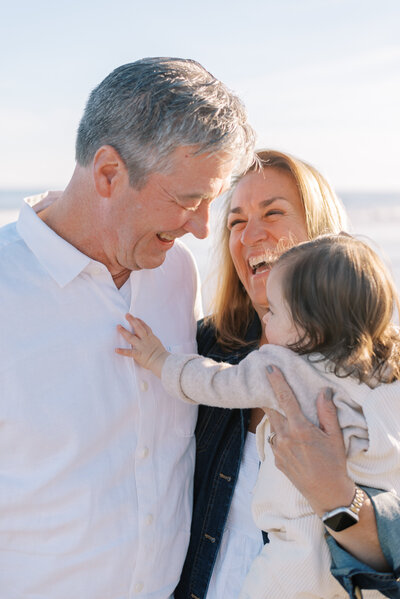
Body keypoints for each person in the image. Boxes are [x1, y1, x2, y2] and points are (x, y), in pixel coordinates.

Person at [0, 57, 255, 599]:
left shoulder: (175, 272)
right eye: (188, 200)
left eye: (212, 202)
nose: (203, 227)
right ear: (109, 173)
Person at [166, 149, 399, 599]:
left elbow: (391, 557)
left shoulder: (381, 368)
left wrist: (335, 495)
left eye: (273, 212)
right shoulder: (204, 348)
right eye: (235, 221)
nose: (250, 234)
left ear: (321, 235)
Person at [118, 233, 400, 599]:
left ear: (310, 326)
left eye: (273, 312)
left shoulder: (282, 365)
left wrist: (159, 361)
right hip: (361, 530)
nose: (266, 320)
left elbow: (216, 382)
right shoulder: (383, 369)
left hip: (298, 533)